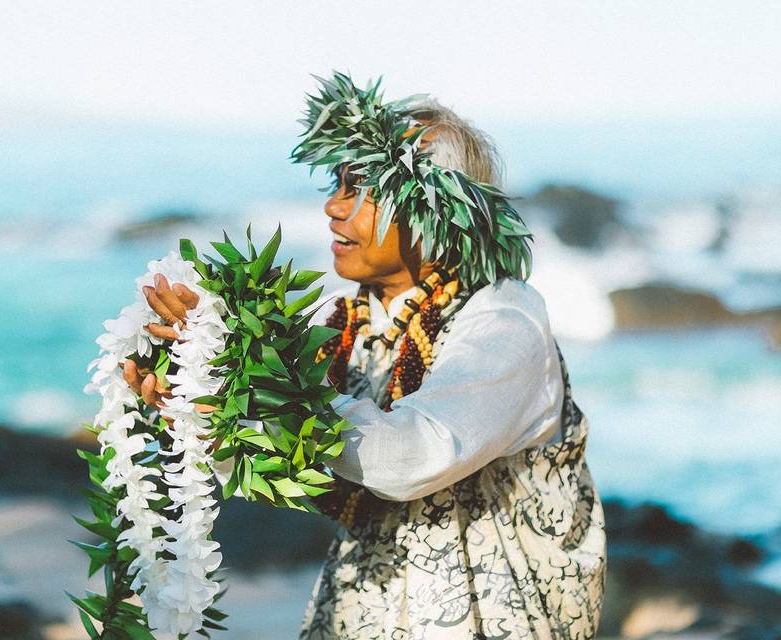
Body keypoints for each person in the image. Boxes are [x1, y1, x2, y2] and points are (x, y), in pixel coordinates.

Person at [124, 74, 606, 639]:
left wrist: (256, 371)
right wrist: (207, 407)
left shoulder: (503, 318)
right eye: (337, 183)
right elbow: (300, 470)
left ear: (440, 212)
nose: (333, 206)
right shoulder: (352, 322)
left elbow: (418, 454)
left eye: (364, 189)